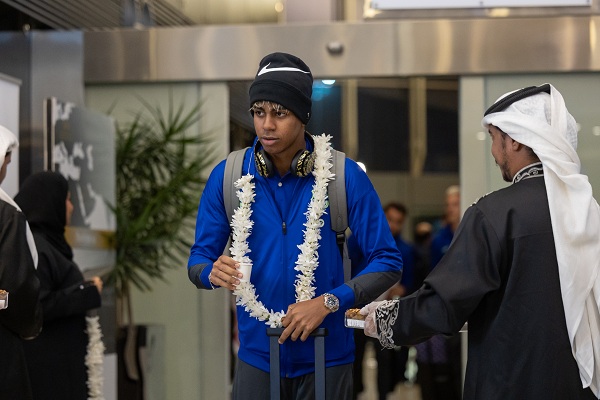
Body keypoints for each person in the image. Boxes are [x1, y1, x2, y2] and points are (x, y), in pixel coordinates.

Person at [361, 83, 600, 400]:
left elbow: (446, 303)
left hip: (509, 387)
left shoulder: (493, 213)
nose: (493, 152)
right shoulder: (589, 212)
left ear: (514, 140)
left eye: (494, 138)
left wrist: (387, 319)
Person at [187, 52, 403, 399]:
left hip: (327, 359)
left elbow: (387, 261)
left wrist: (329, 302)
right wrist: (210, 272)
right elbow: (197, 260)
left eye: (279, 113)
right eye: (258, 112)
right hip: (256, 360)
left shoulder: (343, 177)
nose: (266, 125)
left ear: (303, 116)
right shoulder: (228, 177)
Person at [15, 171, 103, 400]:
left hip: (60, 369)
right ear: (50, 202)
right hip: (47, 374)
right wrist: (86, 292)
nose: (72, 208)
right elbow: (37, 305)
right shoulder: (35, 247)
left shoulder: (47, 244)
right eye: (68, 200)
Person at [0, 125, 43, 400]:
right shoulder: (6, 215)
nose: (6, 168)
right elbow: (14, 289)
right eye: (6, 160)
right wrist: (29, 324)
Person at [415, 186, 462, 400]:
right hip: (447, 305)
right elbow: (434, 274)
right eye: (448, 205)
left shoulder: (472, 232)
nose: (451, 209)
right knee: (445, 363)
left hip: (470, 302)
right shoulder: (439, 239)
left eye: (455, 204)